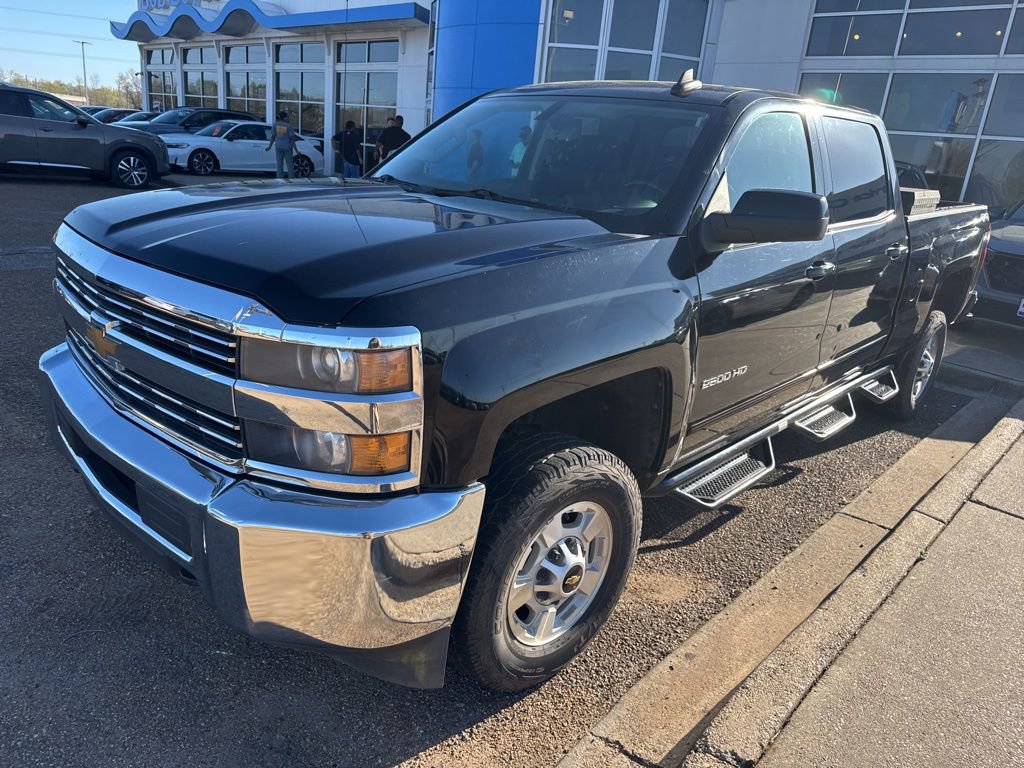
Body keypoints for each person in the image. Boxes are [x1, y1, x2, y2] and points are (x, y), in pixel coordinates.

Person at [265, 110, 296, 179]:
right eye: (287, 117)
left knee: (279, 164)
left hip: (278, 146)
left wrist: (269, 146)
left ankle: (279, 178)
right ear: (284, 118)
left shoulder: (275, 125)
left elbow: (273, 136)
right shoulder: (288, 126)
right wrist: (296, 150)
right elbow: (292, 139)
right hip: (287, 147)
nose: (288, 118)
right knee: (289, 163)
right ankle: (291, 178)